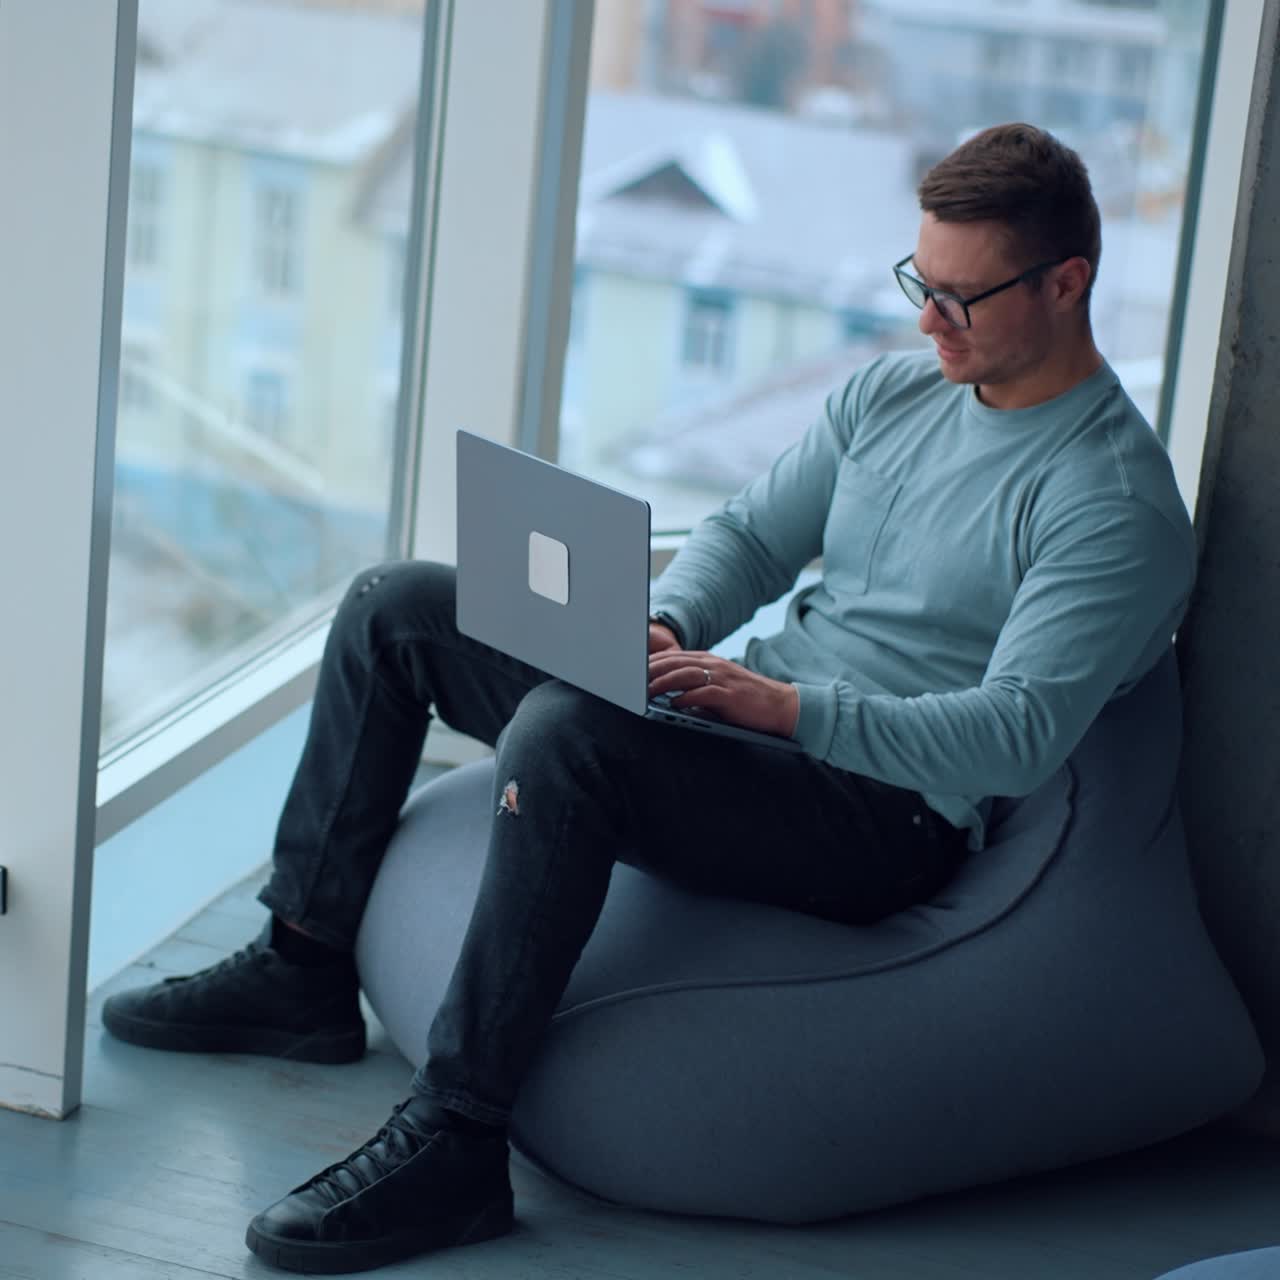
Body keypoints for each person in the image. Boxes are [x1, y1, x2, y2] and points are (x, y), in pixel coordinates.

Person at [102, 122, 1196, 1275]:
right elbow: (751, 534)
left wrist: (784, 710)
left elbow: (1013, 738)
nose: (927, 320)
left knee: (568, 737)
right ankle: (303, 962)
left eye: (959, 299)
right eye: (918, 285)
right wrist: (668, 631)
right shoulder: (895, 393)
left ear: (1064, 283)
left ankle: (458, 1139)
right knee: (399, 608)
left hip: (885, 809)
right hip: (748, 713)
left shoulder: (1108, 502)